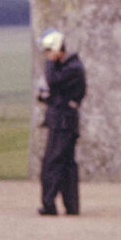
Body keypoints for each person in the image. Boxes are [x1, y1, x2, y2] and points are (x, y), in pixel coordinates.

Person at [37, 30, 87, 216]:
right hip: (61, 120)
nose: (48, 55)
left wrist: (50, 63)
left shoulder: (72, 68)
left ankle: (49, 204)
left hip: (63, 122)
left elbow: (53, 81)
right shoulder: (68, 66)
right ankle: (70, 205)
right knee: (65, 163)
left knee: (54, 162)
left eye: (50, 51)